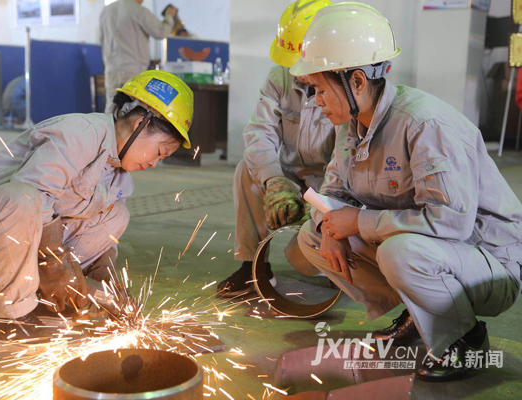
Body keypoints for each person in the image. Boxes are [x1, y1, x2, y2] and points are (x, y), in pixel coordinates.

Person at [290, 2, 522, 382]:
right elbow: (334, 191)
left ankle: (464, 338)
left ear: (357, 81)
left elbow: (451, 222)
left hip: (488, 261)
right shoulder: (350, 126)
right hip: (430, 250)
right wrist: (328, 226)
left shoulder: (425, 125)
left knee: (400, 252)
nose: (316, 101)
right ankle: (421, 312)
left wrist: (358, 221)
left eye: (319, 89)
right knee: (311, 236)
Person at [0, 71, 193, 342]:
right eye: (160, 152)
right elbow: (34, 193)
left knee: (117, 215)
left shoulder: (119, 176)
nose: (154, 163)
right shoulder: (80, 133)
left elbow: (96, 237)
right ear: (140, 124)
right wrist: (54, 264)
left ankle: (50, 300)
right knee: (24, 196)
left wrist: (105, 282)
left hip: (17, 251)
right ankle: (7, 318)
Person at [217, 0, 335, 298]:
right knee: (247, 170)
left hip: (333, 184)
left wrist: (324, 200)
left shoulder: (345, 87)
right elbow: (260, 132)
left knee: (302, 260)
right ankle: (252, 267)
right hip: (292, 175)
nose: (296, 71)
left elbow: (350, 156)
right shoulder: (279, 77)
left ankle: (343, 266)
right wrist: (274, 181)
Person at [99, 0, 178, 111]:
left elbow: (101, 40)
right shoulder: (138, 11)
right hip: (133, 71)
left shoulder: (106, 11)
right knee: (133, 109)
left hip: (111, 70)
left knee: (111, 107)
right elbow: (161, 32)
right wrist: (169, 17)